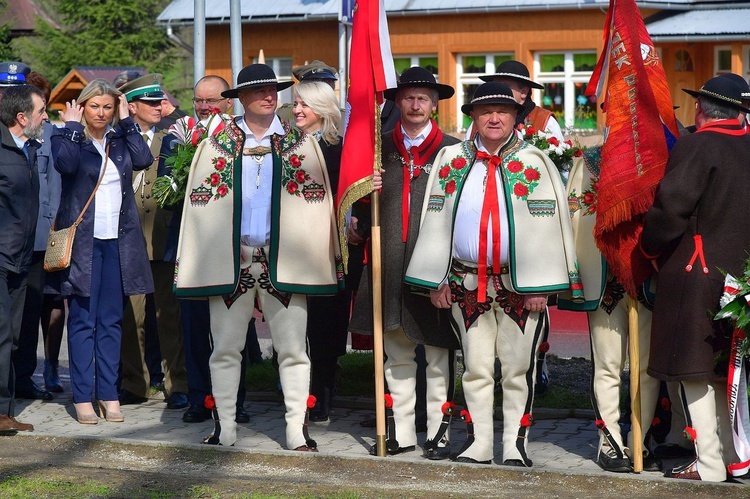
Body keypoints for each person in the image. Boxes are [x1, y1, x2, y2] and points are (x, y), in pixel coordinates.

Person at [405, 81, 582, 466]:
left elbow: (553, 226)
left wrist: (543, 285)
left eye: (502, 111)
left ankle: (515, 444)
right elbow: (433, 218)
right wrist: (436, 277)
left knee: (518, 370)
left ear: (516, 117)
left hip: (521, 286)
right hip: (466, 281)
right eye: (486, 113)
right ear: (474, 118)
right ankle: (479, 444)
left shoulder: (537, 161)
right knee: (476, 368)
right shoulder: (451, 159)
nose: (494, 118)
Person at [174, 64, 341, 450]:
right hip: (233, 262)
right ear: (241, 99)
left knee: (294, 350)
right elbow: (199, 208)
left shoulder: (301, 144)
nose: (270, 96)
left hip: (284, 261)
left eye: (274, 90)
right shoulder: (215, 145)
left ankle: (296, 430)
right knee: (226, 349)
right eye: (260, 90)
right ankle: (225, 427)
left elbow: (318, 207)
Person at [640, 76, 750, 482]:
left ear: (702, 109)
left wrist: (649, 251)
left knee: (695, 370)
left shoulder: (698, 144)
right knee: (727, 370)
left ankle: (709, 464)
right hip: (744, 277)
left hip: (698, 272)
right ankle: (728, 457)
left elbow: (670, 210)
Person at [348, 67, 460, 458]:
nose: (415, 105)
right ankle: (404, 430)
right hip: (388, 261)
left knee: (438, 351)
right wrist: (362, 195)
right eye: (409, 97)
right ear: (398, 102)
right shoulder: (377, 149)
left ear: (434, 105)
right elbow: (356, 209)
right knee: (396, 352)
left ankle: (438, 431)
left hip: (434, 266)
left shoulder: (453, 150)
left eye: (423, 99)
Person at [49, 79, 154, 424]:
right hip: (83, 245)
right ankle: (82, 396)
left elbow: (144, 158)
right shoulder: (67, 137)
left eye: (108, 106)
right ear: (83, 106)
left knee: (111, 321)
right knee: (82, 321)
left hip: (118, 243)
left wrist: (126, 122)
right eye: (95, 106)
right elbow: (64, 166)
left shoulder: (121, 139)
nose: (101, 113)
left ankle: (108, 394)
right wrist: (73, 128)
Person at [560, 147, 662, 473]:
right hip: (602, 280)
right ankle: (611, 441)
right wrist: (573, 275)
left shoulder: (659, 154)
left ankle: (640, 441)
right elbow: (572, 215)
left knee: (646, 367)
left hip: (646, 278)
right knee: (607, 366)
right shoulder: (588, 161)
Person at [159, 75, 251, 424]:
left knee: (230, 332)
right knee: (195, 330)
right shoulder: (178, 137)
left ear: (228, 102)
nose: (204, 107)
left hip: (232, 249)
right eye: (199, 101)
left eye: (212, 101)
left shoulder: (241, 138)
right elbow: (167, 192)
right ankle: (200, 398)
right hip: (192, 249)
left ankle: (234, 401)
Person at [116, 72, 188, 410]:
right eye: (151, 102)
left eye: (160, 101)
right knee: (133, 316)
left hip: (164, 239)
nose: (161, 106)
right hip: (128, 241)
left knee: (169, 315)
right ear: (131, 107)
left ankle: (179, 383)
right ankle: (135, 382)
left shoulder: (174, 138)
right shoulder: (117, 139)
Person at [292, 80, 349, 422]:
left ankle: (322, 392)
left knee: (324, 326)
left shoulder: (338, 148)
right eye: (295, 104)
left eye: (304, 105)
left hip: (327, 249)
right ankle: (296, 390)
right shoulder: (284, 145)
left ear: (324, 109)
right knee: (294, 325)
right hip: (290, 248)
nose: (297, 110)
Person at [13, 71, 64, 401]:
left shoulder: (47, 136)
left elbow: (54, 189)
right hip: (11, 238)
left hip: (38, 241)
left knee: (32, 312)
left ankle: (26, 376)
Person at [0, 80, 47, 435]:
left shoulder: (29, 148)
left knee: (13, 336)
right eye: (41, 111)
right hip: (0, 257)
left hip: (21, 259)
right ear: (21, 116)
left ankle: (5, 409)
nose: (46, 117)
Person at [471, 60, 563, 142]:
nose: (498, 90)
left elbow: (558, 159)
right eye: (495, 85)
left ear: (523, 92)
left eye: (504, 86)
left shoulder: (544, 120)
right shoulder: (481, 120)